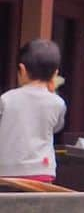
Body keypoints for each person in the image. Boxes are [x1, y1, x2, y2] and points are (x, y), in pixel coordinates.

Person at [0, 40, 66, 183]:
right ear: (55, 74)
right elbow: (57, 127)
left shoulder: (6, 99)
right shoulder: (57, 102)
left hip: (6, 171)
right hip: (42, 170)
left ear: (22, 70)